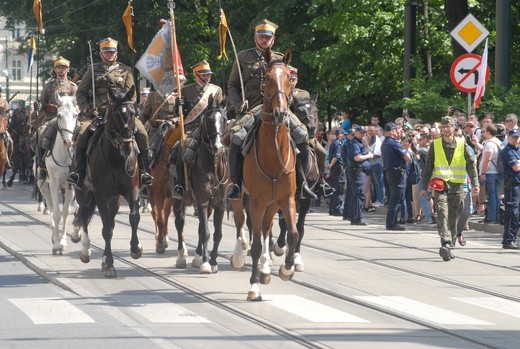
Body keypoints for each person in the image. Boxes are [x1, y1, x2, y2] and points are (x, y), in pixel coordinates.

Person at [226, 19, 313, 200]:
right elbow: (232, 85)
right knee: (236, 138)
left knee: (302, 136)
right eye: (261, 36)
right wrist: (237, 103)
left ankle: (303, 183)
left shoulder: (281, 59)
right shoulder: (243, 57)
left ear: (273, 40)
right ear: (255, 38)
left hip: (278, 109)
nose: (264, 40)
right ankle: (235, 184)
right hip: (251, 109)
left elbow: (287, 85)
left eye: (268, 37)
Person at [67, 37, 152, 192]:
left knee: (142, 133)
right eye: (106, 52)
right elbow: (81, 93)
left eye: (112, 52)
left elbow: (132, 95)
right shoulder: (93, 70)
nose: (109, 54)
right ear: (101, 54)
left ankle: (144, 173)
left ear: (116, 53)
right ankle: (78, 173)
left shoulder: (125, 70)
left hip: (121, 114)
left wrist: (126, 107)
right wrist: (86, 109)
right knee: (82, 133)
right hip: (97, 114)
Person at [421, 116, 479, 262]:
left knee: (453, 216)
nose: (446, 129)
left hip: (458, 186)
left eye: (449, 126)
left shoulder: (462, 143)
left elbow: (471, 165)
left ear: (454, 128)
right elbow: (428, 167)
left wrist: (476, 184)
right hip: (441, 186)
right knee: (442, 213)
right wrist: (424, 186)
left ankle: (450, 243)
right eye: (444, 127)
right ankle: (445, 243)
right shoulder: (435, 145)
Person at [171, 60, 224, 197]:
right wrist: (179, 106)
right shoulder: (186, 90)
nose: (207, 77)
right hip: (192, 127)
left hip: (211, 127)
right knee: (179, 148)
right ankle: (180, 185)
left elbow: (220, 110)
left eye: (208, 75)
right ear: (196, 74)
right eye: (204, 74)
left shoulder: (216, 90)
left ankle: (226, 183)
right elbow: (179, 114)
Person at [36, 56, 78, 179]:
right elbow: (42, 102)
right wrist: (39, 105)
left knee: (84, 135)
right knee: (40, 137)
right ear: (55, 70)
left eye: (63, 68)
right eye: (58, 67)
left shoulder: (73, 87)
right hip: (51, 118)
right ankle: (42, 166)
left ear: (68, 70)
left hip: (69, 120)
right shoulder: (48, 86)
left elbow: (77, 103)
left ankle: (80, 166)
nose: (61, 70)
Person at [381, 122, 411, 231]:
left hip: (390, 172)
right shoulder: (393, 143)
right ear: (391, 131)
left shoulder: (385, 143)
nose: (397, 132)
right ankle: (391, 223)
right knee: (396, 199)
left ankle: (392, 222)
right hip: (397, 173)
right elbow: (407, 157)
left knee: (394, 198)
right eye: (395, 130)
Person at [345, 126, 372, 225]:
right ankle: (357, 218)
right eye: (361, 132)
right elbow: (357, 158)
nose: (363, 134)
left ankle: (355, 217)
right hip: (357, 171)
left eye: (364, 133)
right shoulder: (354, 143)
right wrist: (369, 156)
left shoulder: (360, 142)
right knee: (358, 194)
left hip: (360, 171)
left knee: (357, 194)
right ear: (356, 133)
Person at [500, 128, 520, 249]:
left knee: (517, 214)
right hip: (512, 186)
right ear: (508, 138)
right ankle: (508, 239)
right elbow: (516, 167)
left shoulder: (518, 150)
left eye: (517, 137)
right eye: (513, 137)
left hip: (518, 185)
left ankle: (513, 238)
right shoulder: (507, 150)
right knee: (512, 212)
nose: (515, 139)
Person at [326, 128, 345, 215]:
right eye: (343, 134)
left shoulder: (334, 142)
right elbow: (336, 157)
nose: (344, 135)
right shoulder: (338, 143)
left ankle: (332, 209)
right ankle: (337, 209)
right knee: (338, 189)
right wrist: (331, 165)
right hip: (337, 168)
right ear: (340, 134)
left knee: (333, 189)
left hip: (334, 168)